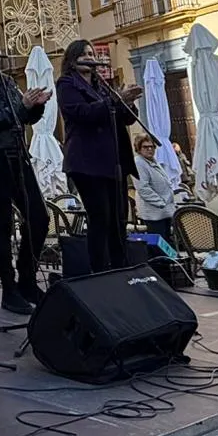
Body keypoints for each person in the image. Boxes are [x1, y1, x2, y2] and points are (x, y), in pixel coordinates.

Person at [0, 35, 51, 315]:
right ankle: (8, 287)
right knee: (1, 221)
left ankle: (27, 277)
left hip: (17, 154)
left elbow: (23, 118)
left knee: (39, 216)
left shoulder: (7, 81)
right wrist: (23, 107)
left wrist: (36, 105)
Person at [56, 40, 138, 272]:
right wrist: (113, 101)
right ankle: (100, 270)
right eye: (83, 54)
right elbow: (81, 113)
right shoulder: (67, 84)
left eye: (91, 53)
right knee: (100, 217)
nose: (89, 56)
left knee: (119, 218)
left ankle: (120, 267)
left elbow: (127, 119)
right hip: (87, 163)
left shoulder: (102, 86)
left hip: (113, 162)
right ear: (72, 59)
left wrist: (126, 101)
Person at [133, 136, 176, 244]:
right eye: (145, 147)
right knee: (158, 244)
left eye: (152, 147)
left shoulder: (152, 161)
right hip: (153, 213)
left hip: (164, 211)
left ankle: (168, 260)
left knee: (165, 242)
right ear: (138, 148)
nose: (150, 149)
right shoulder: (139, 163)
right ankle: (159, 261)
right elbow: (143, 188)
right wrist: (160, 203)